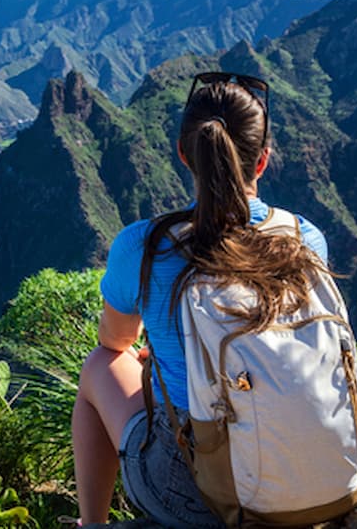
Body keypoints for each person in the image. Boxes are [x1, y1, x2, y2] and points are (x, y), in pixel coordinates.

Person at [71, 72, 331, 528]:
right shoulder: (303, 238)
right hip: (307, 475)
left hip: (193, 493)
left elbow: (115, 341)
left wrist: (169, 358)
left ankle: (91, 523)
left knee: (99, 365)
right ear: (263, 160)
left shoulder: (145, 247)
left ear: (183, 154)